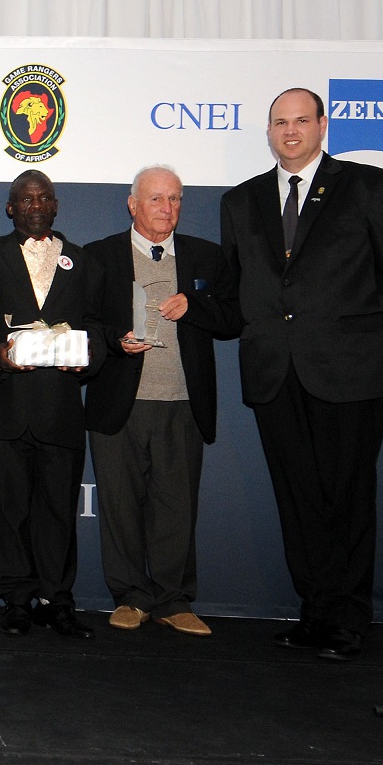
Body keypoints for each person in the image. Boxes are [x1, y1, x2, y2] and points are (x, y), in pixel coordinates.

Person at [220, 87, 383, 661]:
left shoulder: (367, 185)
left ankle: (348, 619)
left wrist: (369, 331)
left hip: (351, 371)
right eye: (279, 122)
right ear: (268, 132)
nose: (290, 131)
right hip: (274, 373)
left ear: (322, 125)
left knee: (348, 498)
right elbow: (237, 288)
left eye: (301, 120)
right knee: (298, 500)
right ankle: (314, 612)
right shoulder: (241, 201)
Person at [84, 166, 241, 637]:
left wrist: (196, 306)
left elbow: (234, 318)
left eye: (174, 199)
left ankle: (174, 599)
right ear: (133, 204)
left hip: (183, 401)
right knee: (120, 505)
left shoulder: (206, 256)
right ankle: (130, 597)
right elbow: (83, 322)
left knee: (176, 505)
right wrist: (115, 341)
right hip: (120, 401)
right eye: (155, 198)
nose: (166, 208)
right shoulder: (100, 255)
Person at [0, 169, 104, 639]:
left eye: (44, 198)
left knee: (59, 511)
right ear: (10, 207)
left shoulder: (86, 261)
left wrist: (87, 357)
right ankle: (16, 599)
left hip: (61, 409)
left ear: (56, 205)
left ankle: (58, 600)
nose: (35, 205)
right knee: (6, 511)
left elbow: (98, 328)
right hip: (3, 407)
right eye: (26, 198)